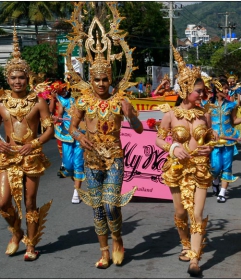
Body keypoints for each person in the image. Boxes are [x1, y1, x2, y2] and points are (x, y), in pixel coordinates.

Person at [66, 2, 143, 269]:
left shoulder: (120, 100)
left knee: (111, 204)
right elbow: (71, 127)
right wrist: (78, 137)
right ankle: (104, 250)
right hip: (91, 159)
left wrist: (132, 115)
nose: (100, 84)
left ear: (111, 79)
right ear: (91, 79)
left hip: (115, 159)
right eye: (96, 80)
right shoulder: (83, 101)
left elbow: (139, 130)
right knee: (97, 207)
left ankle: (118, 240)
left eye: (105, 80)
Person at [155, 46, 219, 276]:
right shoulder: (170, 115)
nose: (202, 95)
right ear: (184, 89)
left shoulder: (206, 114)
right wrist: (173, 148)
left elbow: (212, 138)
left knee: (196, 213)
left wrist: (209, 147)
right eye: (198, 91)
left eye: (202, 91)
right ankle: (185, 244)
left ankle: (194, 259)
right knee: (181, 211)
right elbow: (158, 140)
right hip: (177, 169)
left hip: (200, 169)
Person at [0, 28, 53, 261]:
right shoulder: (1, 102)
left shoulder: (39, 102)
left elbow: (50, 128)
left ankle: (31, 245)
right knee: (2, 202)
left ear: (27, 78)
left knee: (30, 201)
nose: (18, 81)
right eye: (13, 77)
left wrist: (35, 143)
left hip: (31, 157)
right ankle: (16, 232)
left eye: (21, 77)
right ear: (7, 79)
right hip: (8, 156)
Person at [209, 78, 241, 202]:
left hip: (229, 139)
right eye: (225, 88)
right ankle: (215, 180)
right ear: (217, 89)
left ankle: (222, 192)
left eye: (227, 88)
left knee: (227, 166)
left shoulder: (231, 104)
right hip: (215, 140)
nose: (227, 90)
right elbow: (205, 123)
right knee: (216, 167)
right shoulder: (208, 105)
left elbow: (234, 121)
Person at [53, 81, 86, 203]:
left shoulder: (84, 99)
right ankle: (76, 177)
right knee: (67, 165)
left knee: (78, 162)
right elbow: (60, 113)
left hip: (80, 134)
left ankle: (77, 192)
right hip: (67, 134)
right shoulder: (63, 99)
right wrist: (57, 118)